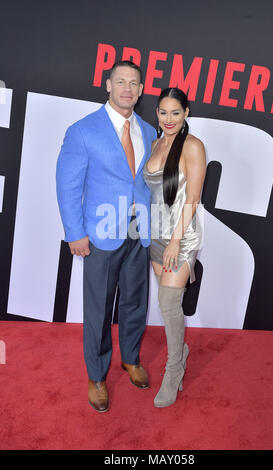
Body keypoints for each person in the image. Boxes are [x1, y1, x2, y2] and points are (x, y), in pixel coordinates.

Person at [56, 60, 156, 413]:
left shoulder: (148, 131)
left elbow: (146, 185)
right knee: (98, 310)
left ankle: (130, 358)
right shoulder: (83, 131)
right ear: (108, 85)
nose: (128, 88)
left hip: (137, 231)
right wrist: (75, 233)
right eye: (121, 81)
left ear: (141, 90)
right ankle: (97, 376)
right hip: (99, 235)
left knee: (135, 304)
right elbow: (67, 185)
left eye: (134, 83)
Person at [143, 87, 206, 408]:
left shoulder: (193, 147)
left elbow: (192, 199)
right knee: (169, 306)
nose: (169, 119)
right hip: (155, 234)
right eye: (163, 112)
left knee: (168, 301)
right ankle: (181, 350)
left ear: (186, 113)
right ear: (157, 113)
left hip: (181, 236)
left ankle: (174, 369)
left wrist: (177, 241)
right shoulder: (155, 144)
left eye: (176, 113)